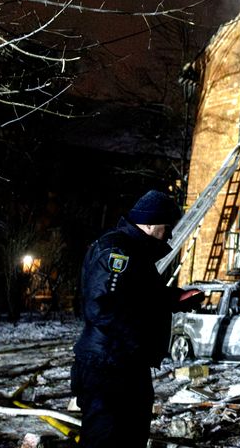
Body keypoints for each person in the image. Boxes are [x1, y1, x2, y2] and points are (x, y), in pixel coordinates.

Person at [71, 190, 204, 448]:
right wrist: (137, 340)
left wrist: (174, 299)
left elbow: (136, 298)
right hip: (108, 369)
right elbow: (101, 306)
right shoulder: (117, 252)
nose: (170, 235)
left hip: (125, 366)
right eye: (167, 227)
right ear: (150, 223)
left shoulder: (135, 253)